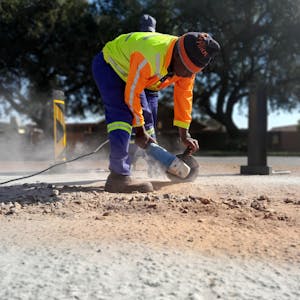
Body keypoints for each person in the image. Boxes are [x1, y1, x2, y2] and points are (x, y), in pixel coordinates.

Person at [92, 31, 220, 193]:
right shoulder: (149, 55)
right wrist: (139, 131)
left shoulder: (188, 66)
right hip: (112, 67)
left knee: (148, 119)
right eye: (187, 70)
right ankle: (118, 177)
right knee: (123, 117)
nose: (189, 75)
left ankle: (154, 164)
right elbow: (132, 94)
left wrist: (184, 134)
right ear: (177, 56)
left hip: (144, 79)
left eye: (194, 72)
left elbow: (184, 97)